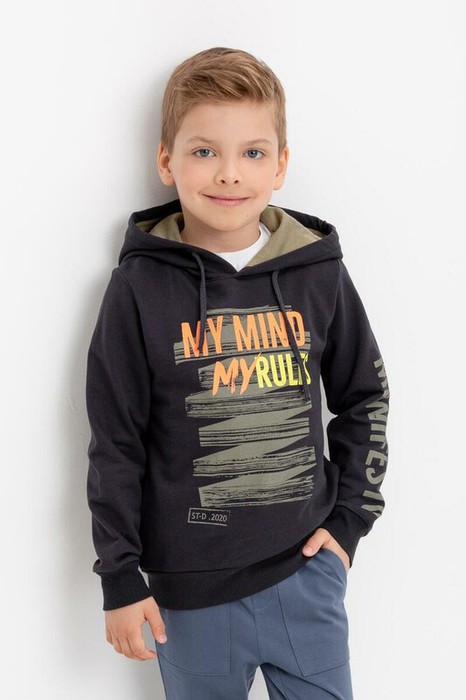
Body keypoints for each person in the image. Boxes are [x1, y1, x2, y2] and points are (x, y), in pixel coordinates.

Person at [85, 46, 390, 699]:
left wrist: (348, 524)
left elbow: (365, 397)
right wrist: (120, 576)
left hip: (305, 575)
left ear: (280, 165)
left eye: (253, 152)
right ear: (166, 160)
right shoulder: (138, 287)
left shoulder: (318, 273)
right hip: (187, 598)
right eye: (204, 151)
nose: (229, 173)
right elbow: (115, 441)